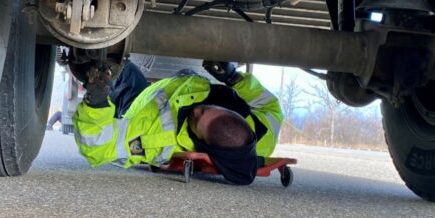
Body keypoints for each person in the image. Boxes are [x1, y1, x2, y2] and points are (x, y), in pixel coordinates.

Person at [72, 60, 283, 185]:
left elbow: (97, 146)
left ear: (203, 144)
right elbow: (272, 108)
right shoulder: (262, 135)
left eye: (198, 119)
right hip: (176, 86)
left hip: (139, 103)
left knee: (114, 67)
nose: (198, 109)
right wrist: (233, 78)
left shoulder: (158, 139)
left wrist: (96, 101)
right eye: (210, 109)